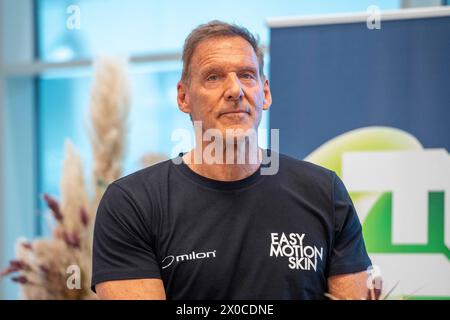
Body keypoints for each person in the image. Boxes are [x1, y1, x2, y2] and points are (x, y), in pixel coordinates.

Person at [91, 21, 374, 300]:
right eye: (213, 77)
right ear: (183, 96)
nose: (235, 90)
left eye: (247, 75)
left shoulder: (323, 192)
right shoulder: (132, 203)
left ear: (265, 93)